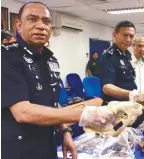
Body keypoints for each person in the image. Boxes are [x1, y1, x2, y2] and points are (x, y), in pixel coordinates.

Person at [1, 2, 114, 159]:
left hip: (48, 144)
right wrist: (84, 115)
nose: (41, 26)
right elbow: (23, 112)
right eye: (32, 19)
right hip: (19, 149)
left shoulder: (50, 60)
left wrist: (66, 132)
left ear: (51, 29)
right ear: (19, 25)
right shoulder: (6, 57)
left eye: (46, 21)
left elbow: (53, 104)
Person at [99, 20, 139, 103]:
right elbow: (107, 87)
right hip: (115, 106)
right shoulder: (109, 56)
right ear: (115, 35)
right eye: (125, 35)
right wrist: (131, 94)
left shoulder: (127, 55)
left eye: (131, 36)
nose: (128, 39)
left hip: (128, 103)